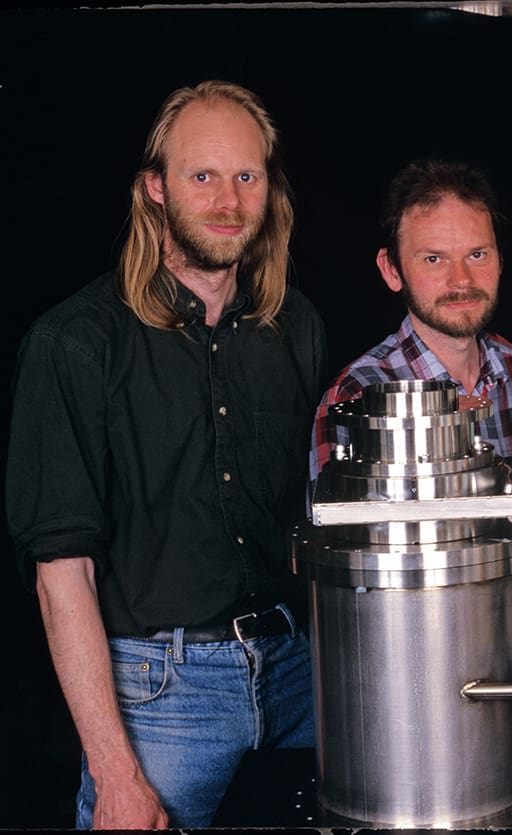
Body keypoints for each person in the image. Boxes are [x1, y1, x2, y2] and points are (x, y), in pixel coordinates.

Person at [6, 80, 328, 829]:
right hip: (161, 697)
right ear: (155, 188)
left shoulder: (296, 327)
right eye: (202, 176)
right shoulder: (77, 344)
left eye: (246, 176)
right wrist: (117, 768)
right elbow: (63, 573)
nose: (227, 199)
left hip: (298, 675)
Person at [309, 158, 512, 486]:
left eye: (477, 255)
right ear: (391, 270)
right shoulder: (356, 396)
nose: (461, 280)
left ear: (500, 259)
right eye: (434, 259)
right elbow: (338, 531)